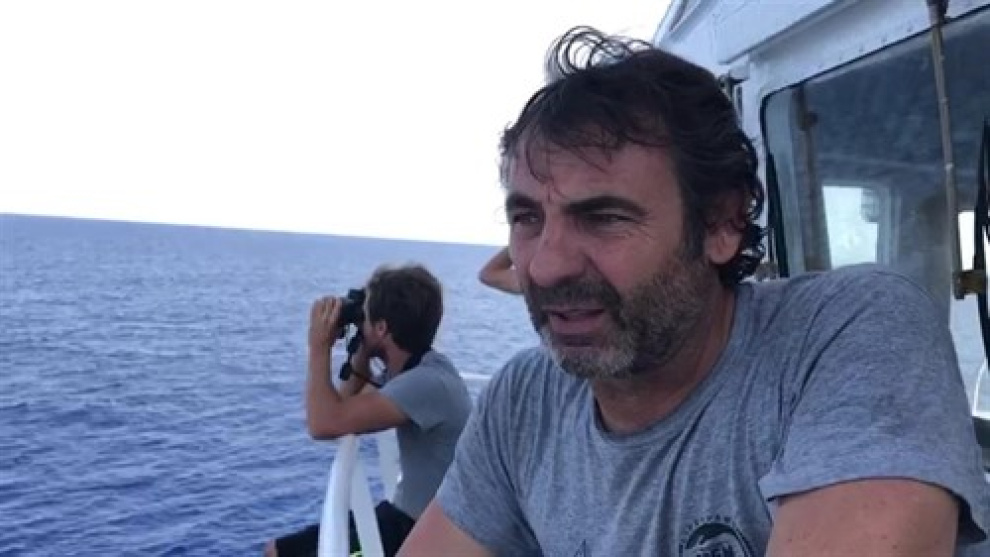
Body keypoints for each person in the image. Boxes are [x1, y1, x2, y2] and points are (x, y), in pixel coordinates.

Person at [399, 26, 990, 556]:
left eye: (604, 217)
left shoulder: (850, 334)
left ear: (721, 224)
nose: (547, 266)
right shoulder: (525, 402)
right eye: (527, 218)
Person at [267, 264, 472, 557]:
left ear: (382, 329)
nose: (360, 323)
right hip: (413, 515)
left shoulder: (424, 384)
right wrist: (363, 349)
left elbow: (322, 424)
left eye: (365, 317)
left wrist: (318, 346)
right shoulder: (418, 368)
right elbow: (346, 404)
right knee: (277, 551)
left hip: (428, 533)